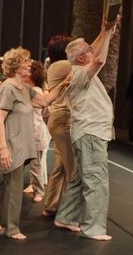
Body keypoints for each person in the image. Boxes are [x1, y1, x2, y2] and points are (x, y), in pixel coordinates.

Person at [0, 47, 70, 240]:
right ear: (15, 65)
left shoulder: (26, 89)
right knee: (14, 187)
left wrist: (63, 84)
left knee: (8, 183)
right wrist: (4, 148)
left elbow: (46, 100)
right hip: (11, 143)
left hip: (22, 143)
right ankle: (11, 228)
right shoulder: (8, 88)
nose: (30, 63)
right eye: (26, 60)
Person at [53, 17, 118, 241]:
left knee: (82, 178)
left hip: (87, 133)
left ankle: (66, 217)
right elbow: (99, 59)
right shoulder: (81, 73)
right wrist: (108, 33)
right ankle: (94, 228)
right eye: (88, 50)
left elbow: (94, 51)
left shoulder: (79, 70)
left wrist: (104, 29)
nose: (92, 50)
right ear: (82, 58)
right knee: (96, 181)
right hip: (90, 134)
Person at [42, 34, 75, 216]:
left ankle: (51, 205)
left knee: (61, 165)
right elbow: (90, 64)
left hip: (58, 119)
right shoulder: (64, 66)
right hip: (64, 119)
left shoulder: (55, 66)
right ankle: (70, 213)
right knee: (73, 168)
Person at [23, 60, 49, 202]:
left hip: (35, 133)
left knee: (36, 165)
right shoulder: (25, 89)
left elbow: (46, 112)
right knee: (21, 164)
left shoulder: (36, 92)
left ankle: (39, 191)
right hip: (25, 133)